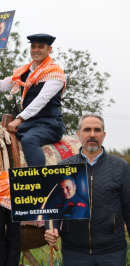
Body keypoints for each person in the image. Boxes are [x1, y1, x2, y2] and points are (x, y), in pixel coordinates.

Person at [45, 113, 130, 265]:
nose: (92, 134)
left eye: (97, 130)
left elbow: (128, 208)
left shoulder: (120, 167)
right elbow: (55, 206)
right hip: (75, 252)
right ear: (78, 135)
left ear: (103, 135)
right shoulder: (64, 167)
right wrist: (52, 228)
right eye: (87, 130)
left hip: (112, 252)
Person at [0, 33, 66, 167]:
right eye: (33, 46)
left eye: (41, 47)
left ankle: (37, 181)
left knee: (29, 140)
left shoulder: (55, 73)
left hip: (49, 124)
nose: (36, 50)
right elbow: (1, 86)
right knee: (2, 137)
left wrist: (19, 119)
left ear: (49, 49)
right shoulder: (24, 72)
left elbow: (41, 99)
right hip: (28, 124)